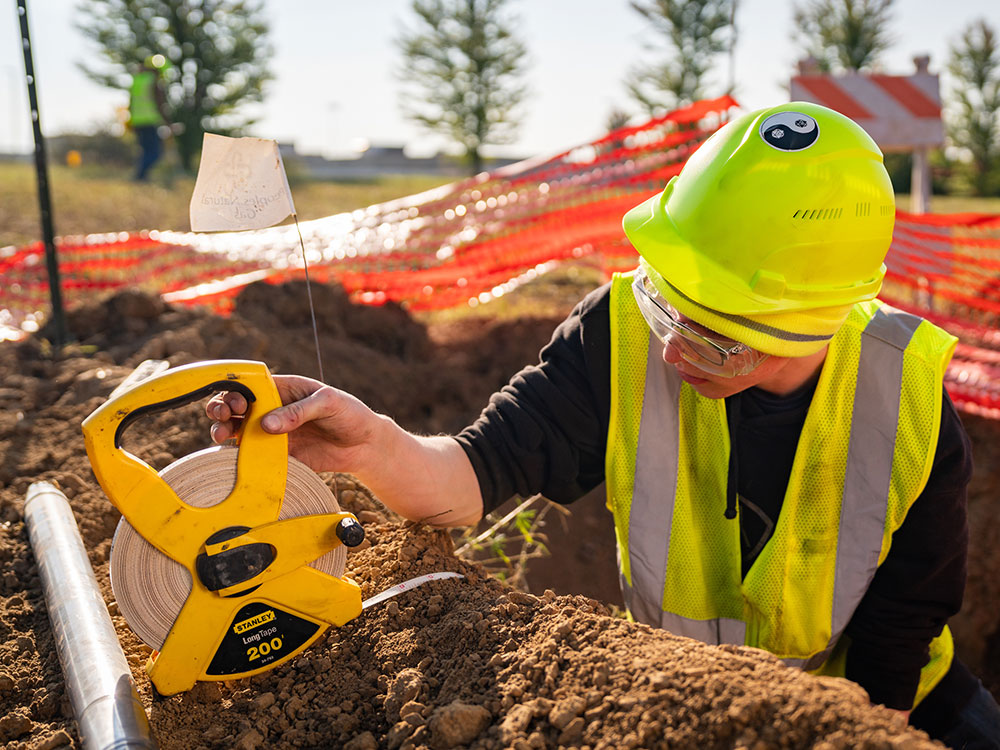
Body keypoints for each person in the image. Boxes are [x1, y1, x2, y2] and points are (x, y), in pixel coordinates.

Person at [207, 102, 1000, 747]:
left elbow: (906, 619)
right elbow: (473, 474)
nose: (672, 349)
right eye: (668, 304)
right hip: (687, 712)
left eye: (713, 336)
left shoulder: (907, 396)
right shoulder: (616, 337)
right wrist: (374, 444)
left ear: (808, 324)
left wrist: (838, 730)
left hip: (882, 710)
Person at [128, 55, 170, 181]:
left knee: (145, 151)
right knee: (155, 153)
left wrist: (131, 121)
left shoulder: (137, 80)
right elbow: (159, 104)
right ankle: (139, 176)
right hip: (150, 121)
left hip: (137, 121)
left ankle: (142, 177)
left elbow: (131, 103)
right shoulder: (154, 82)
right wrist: (168, 122)